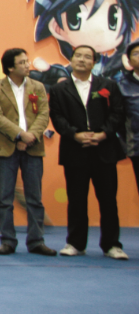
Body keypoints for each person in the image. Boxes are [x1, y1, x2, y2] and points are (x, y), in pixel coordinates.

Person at [49, 45, 128, 260]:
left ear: (94, 62)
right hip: (75, 150)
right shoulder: (59, 89)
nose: (82, 60)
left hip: (104, 150)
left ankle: (112, 245)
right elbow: (57, 117)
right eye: (78, 56)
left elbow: (117, 113)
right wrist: (75, 134)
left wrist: (103, 134)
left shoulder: (108, 85)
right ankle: (75, 243)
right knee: (76, 200)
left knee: (108, 200)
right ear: (71, 59)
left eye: (87, 57)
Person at [0, 48, 56, 256]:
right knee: (5, 198)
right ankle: (7, 241)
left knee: (34, 198)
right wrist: (19, 135)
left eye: (27, 61)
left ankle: (36, 241)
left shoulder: (38, 86)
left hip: (33, 147)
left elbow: (43, 114)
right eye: (22, 62)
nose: (28, 65)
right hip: (5, 148)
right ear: (10, 67)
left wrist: (30, 136)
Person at [121, 41, 139, 193]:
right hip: (137, 147)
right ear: (129, 61)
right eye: (136, 53)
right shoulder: (121, 86)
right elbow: (118, 120)